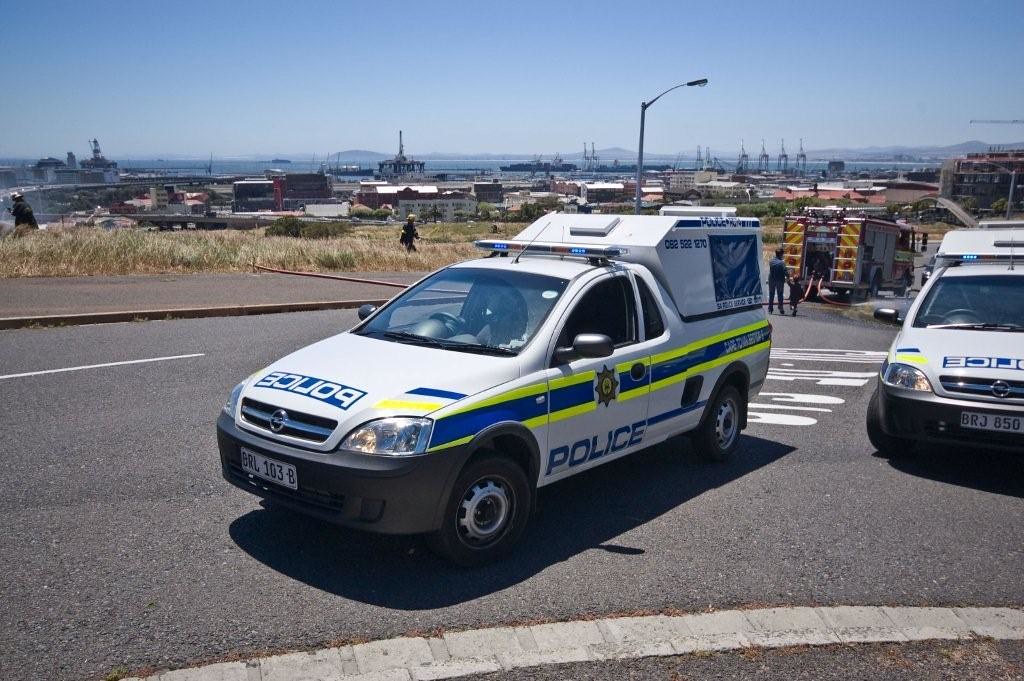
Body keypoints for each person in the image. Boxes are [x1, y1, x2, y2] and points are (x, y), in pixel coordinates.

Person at [767, 248, 787, 314]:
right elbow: (785, 272)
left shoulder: (771, 261)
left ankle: (770, 308)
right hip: (780, 280)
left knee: (771, 294)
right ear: (781, 254)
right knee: (780, 294)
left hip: (771, 279)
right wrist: (789, 277)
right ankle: (780, 307)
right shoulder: (782, 262)